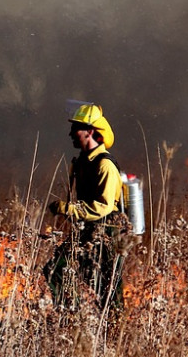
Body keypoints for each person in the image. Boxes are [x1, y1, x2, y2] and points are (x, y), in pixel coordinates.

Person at [43, 103, 130, 312]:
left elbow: (104, 206)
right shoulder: (83, 162)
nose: (71, 133)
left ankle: (116, 330)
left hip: (109, 230)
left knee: (108, 288)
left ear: (90, 131)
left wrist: (70, 209)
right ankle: (70, 316)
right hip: (89, 228)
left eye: (76, 128)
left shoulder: (104, 165)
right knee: (56, 269)